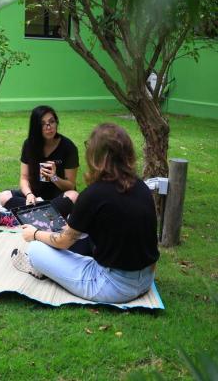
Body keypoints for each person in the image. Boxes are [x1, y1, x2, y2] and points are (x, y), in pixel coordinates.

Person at [11, 123, 160, 303]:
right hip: (146, 280)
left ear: (96, 156)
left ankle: (43, 268)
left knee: (36, 250)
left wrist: (34, 233)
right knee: (80, 238)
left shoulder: (94, 194)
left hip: (112, 286)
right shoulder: (140, 186)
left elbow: (63, 241)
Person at [0, 105, 79, 227]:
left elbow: (70, 185)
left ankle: (19, 218)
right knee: (4, 196)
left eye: (51, 122)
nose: (49, 127)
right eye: (43, 124)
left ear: (56, 123)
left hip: (57, 197)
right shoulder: (29, 145)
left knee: (74, 196)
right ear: (36, 127)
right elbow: (24, 177)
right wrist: (29, 195)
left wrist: (54, 177)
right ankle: (48, 218)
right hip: (35, 196)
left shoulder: (68, 147)